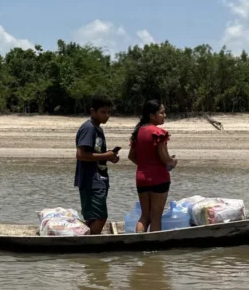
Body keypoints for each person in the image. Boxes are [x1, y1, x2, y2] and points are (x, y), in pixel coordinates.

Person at [128, 100, 177, 233]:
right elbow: (164, 157)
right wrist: (172, 162)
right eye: (161, 112)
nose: (164, 115)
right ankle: (154, 251)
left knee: (145, 216)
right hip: (159, 178)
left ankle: (139, 244)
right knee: (156, 217)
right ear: (152, 115)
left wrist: (145, 164)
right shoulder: (159, 133)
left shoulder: (138, 132)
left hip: (142, 178)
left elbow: (131, 156)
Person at [74, 95, 120, 235]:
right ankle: (90, 248)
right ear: (92, 111)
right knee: (100, 217)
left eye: (109, 112)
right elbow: (81, 155)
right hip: (91, 181)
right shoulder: (88, 128)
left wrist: (109, 157)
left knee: (92, 217)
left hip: (99, 179)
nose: (107, 116)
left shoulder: (98, 129)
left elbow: (94, 153)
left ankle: (85, 246)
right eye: (103, 112)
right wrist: (106, 155)